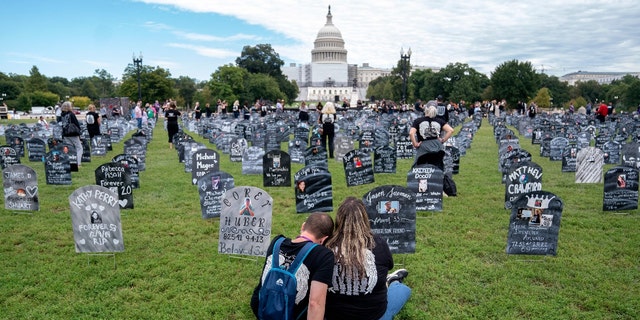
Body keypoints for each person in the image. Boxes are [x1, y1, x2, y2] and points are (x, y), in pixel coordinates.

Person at [324, 197, 411, 320]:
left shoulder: (327, 245)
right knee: (402, 290)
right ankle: (392, 282)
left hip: (335, 315)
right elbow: (389, 265)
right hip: (375, 316)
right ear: (365, 218)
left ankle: (390, 281)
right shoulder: (378, 243)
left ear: (339, 219)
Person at [251, 213, 335, 320]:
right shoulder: (323, 255)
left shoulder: (277, 242)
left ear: (303, 226)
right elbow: (315, 303)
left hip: (261, 307)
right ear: (324, 239)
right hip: (293, 314)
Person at [410, 105, 454, 170]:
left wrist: (415, 144)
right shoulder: (439, 121)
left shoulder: (418, 121)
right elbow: (450, 130)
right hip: (437, 145)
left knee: (418, 166)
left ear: (425, 111)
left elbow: (411, 133)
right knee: (438, 164)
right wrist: (443, 140)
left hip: (424, 145)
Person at [60, 101, 83, 167]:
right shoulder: (71, 114)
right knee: (79, 147)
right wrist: (79, 132)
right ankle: (78, 163)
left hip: (65, 133)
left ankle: (70, 161)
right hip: (72, 133)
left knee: (69, 148)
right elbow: (76, 123)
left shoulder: (62, 114)